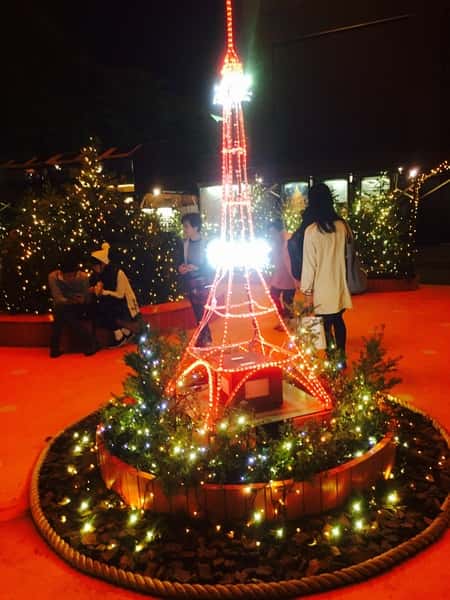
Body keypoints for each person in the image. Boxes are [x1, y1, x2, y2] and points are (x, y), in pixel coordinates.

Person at [300, 183, 352, 366]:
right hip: (339, 284)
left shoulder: (312, 231)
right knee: (338, 320)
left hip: (321, 288)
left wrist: (307, 291)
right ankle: (341, 359)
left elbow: (309, 265)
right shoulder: (342, 226)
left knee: (324, 326)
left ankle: (332, 362)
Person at [48, 252, 98, 358]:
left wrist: (81, 299)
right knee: (62, 310)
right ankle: (90, 341)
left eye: (72, 276)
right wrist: (71, 300)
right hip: (63, 305)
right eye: (67, 276)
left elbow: (87, 298)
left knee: (62, 312)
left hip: (79, 307)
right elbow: (58, 298)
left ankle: (54, 347)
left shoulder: (83, 277)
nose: (70, 278)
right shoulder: (53, 277)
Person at [90, 242, 141, 347]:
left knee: (106, 307)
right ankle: (122, 333)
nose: (94, 269)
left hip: (126, 304)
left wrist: (103, 292)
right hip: (115, 302)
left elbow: (120, 295)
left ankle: (121, 335)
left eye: (95, 266)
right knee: (99, 307)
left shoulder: (118, 273)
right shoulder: (102, 274)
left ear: (102, 264)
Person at [176, 212, 212, 347]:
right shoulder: (184, 244)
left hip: (203, 281)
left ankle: (204, 336)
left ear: (195, 227)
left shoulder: (206, 243)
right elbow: (179, 261)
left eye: (187, 226)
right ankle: (205, 336)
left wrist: (198, 268)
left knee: (202, 309)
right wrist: (180, 268)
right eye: (184, 226)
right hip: (190, 282)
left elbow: (211, 265)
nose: (184, 229)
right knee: (197, 310)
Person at [267, 218, 297, 327]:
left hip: (290, 275)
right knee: (274, 295)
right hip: (279, 275)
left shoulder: (288, 240)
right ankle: (284, 318)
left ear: (278, 230)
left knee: (287, 301)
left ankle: (288, 321)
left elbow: (290, 260)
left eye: (272, 232)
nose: (271, 235)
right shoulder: (276, 241)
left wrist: (296, 279)